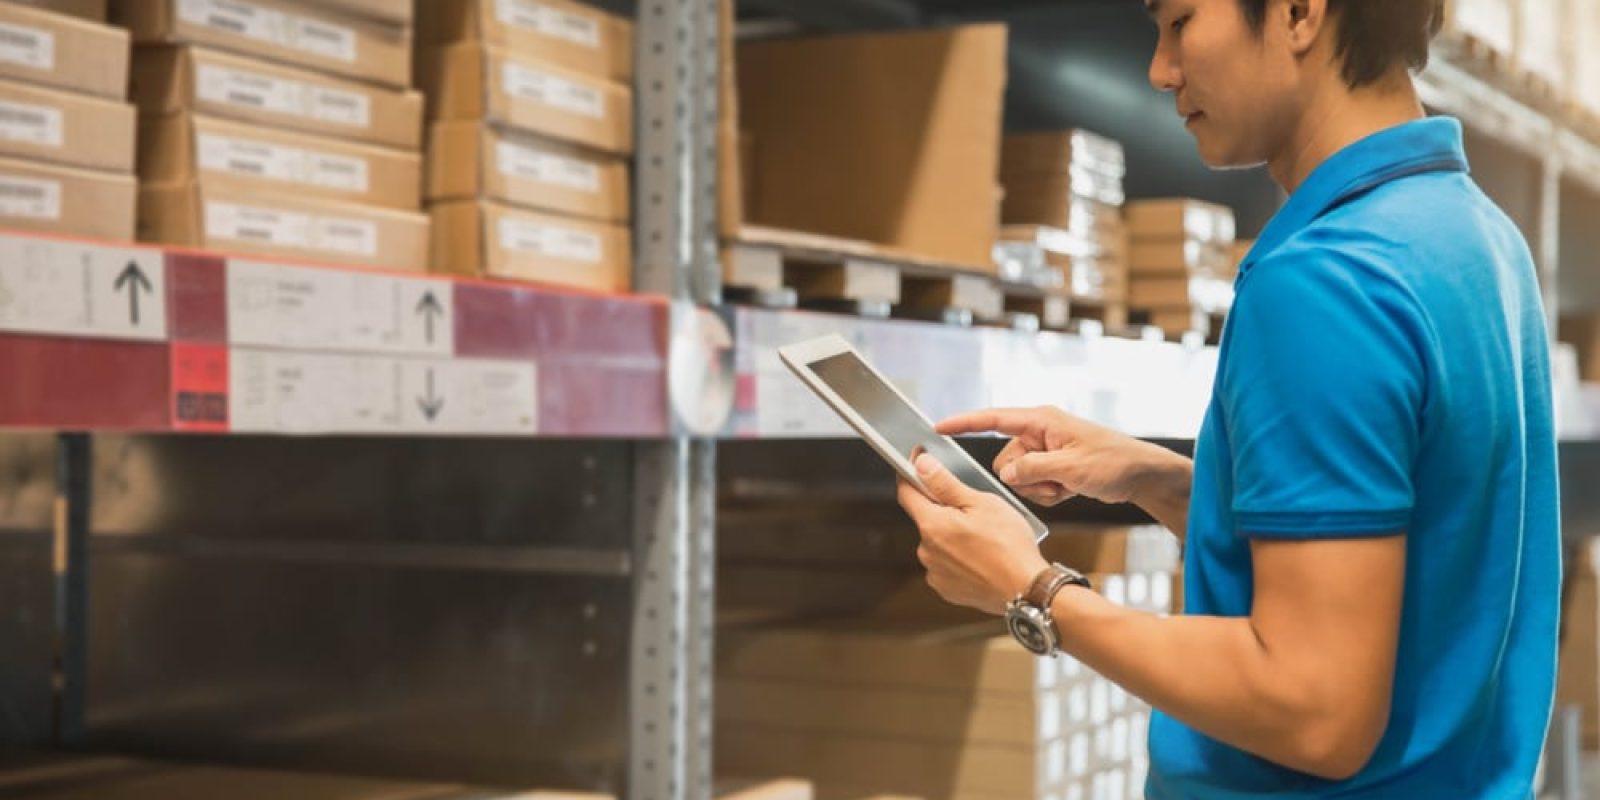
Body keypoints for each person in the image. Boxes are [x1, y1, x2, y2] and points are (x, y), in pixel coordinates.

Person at [895, 0, 1560, 796]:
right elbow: (1416, 554)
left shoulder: (1327, 282)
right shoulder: (1474, 237)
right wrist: (1160, 479)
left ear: (1299, 13)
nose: (1160, 69)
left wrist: (1032, 589)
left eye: (1179, 22)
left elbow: (1315, 710)